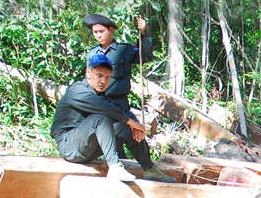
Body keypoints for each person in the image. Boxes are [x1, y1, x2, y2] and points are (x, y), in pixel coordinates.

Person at [83, 12, 172, 182]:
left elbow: (145, 56)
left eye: (101, 31)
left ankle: (149, 168)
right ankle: (117, 169)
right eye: (95, 32)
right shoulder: (92, 53)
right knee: (110, 137)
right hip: (100, 103)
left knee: (135, 131)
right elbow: (89, 78)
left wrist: (144, 33)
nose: (98, 35)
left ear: (110, 30)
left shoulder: (123, 50)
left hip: (119, 102)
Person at [51, 52, 149, 182]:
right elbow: (106, 108)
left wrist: (135, 124)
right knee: (100, 118)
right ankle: (114, 167)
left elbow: (121, 110)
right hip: (69, 147)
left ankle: (149, 168)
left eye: (108, 77)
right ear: (88, 73)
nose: (103, 81)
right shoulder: (77, 90)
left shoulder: (99, 94)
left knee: (124, 126)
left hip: (88, 148)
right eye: (99, 75)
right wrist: (132, 122)